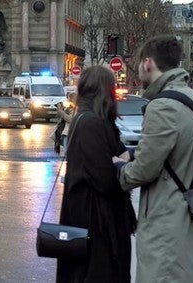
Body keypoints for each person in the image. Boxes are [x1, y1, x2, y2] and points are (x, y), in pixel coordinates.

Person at [114, 35, 193, 282]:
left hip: (169, 226)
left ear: (148, 63)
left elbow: (144, 170)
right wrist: (134, 152)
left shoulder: (163, 105)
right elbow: (177, 150)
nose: (138, 68)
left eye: (139, 63)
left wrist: (119, 169)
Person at [56, 65, 136, 282]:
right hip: (96, 221)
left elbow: (118, 154)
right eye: (112, 88)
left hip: (89, 215)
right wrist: (120, 164)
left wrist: (123, 157)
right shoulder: (91, 123)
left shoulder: (90, 119)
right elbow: (105, 179)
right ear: (104, 91)